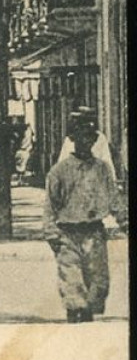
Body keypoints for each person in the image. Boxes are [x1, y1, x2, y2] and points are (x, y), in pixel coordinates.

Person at [44, 108, 123, 323]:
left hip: (94, 231)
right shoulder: (59, 171)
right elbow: (51, 204)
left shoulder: (102, 169)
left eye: (90, 137)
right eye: (81, 137)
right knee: (71, 278)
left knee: (97, 280)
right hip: (68, 232)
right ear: (72, 140)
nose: (86, 142)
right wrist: (51, 233)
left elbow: (114, 198)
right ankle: (74, 312)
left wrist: (124, 219)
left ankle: (87, 311)